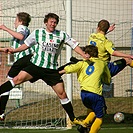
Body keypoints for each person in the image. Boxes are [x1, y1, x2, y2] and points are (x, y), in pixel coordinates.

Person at [0, 13, 89, 125]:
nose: (53, 24)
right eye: (51, 22)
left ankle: (73, 119)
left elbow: (74, 45)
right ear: (46, 22)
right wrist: (14, 51)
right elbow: (26, 45)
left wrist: (83, 55)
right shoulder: (38, 33)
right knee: (17, 79)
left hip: (50, 70)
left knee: (62, 94)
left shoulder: (62, 35)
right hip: (35, 66)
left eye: (55, 22)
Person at [59, 45, 111, 133]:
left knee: (94, 110)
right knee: (99, 118)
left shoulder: (82, 63)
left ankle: (84, 124)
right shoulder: (102, 63)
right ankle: (88, 128)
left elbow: (69, 69)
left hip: (84, 94)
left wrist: (57, 73)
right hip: (95, 94)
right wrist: (104, 80)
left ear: (87, 54)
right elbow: (108, 79)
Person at [0, 12, 35, 121]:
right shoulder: (21, 29)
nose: (14, 22)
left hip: (24, 59)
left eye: (15, 20)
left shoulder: (22, 28)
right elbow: (16, 45)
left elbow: (20, 35)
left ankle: (1, 112)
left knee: (8, 82)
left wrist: (5, 28)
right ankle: (1, 112)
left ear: (20, 21)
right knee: (10, 82)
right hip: (23, 60)